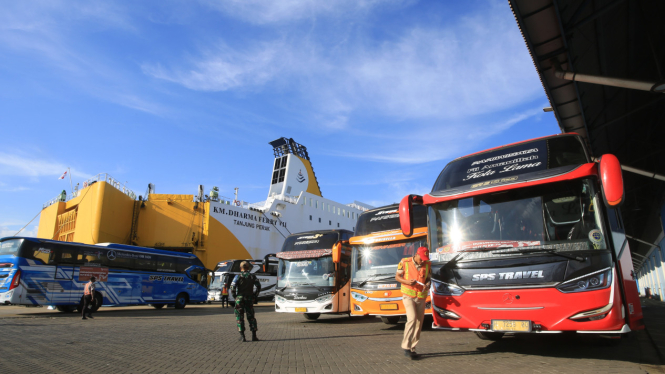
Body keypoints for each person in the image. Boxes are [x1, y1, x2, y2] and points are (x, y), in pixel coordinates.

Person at [395, 246, 431, 359]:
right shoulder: (404, 262)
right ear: (416, 254)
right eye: (421, 258)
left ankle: (412, 348)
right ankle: (406, 346)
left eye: (425, 258)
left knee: (419, 323)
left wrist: (428, 284)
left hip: (421, 296)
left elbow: (428, 278)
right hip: (408, 295)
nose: (422, 261)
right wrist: (406, 282)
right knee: (412, 318)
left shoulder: (427, 264)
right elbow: (397, 277)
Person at [231, 261, 262, 342]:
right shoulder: (252, 276)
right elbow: (258, 286)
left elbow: (232, 288)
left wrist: (235, 297)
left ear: (240, 268)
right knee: (251, 317)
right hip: (249, 299)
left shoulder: (238, 276)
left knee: (239, 317)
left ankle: (242, 336)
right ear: (248, 268)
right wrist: (255, 296)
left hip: (240, 299)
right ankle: (254, 336)